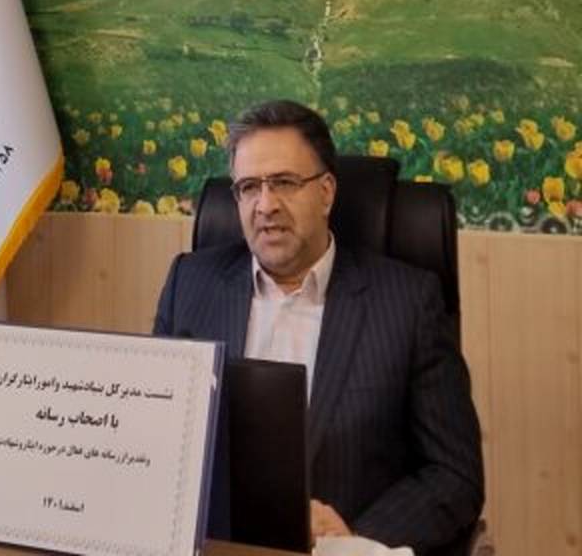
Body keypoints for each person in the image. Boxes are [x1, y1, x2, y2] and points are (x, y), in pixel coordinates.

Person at [153, 100, 483, 554]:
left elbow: (454, 473)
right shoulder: (189, 285)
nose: (265, 205)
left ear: (326, 193)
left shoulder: (409, 303)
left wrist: (353, 538)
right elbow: (159, 437)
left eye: (284, 183)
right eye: (249, 187)